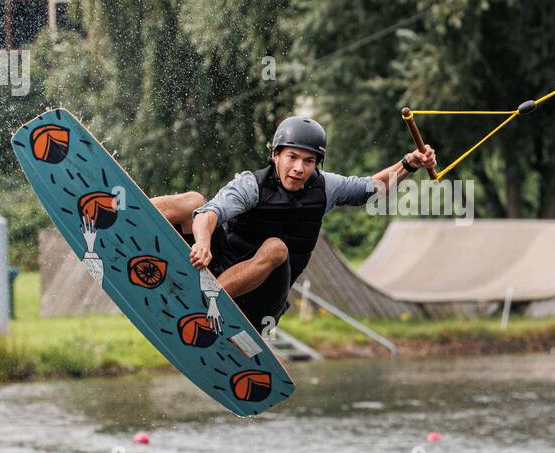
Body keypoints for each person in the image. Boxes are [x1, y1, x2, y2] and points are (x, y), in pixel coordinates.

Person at [149, 116, 436, 331]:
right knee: (192, 201)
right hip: (215, 268)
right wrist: (201, 243)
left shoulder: (327, 188)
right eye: (292, 157)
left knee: (276, 247)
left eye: (309, 161)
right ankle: (115, 210)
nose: (299, 168)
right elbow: (207, 215)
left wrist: (408, 164)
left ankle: (205, 303)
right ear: (275, 155)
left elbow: (372, 187)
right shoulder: (251, 185)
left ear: (316, 164)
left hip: (260, 303)